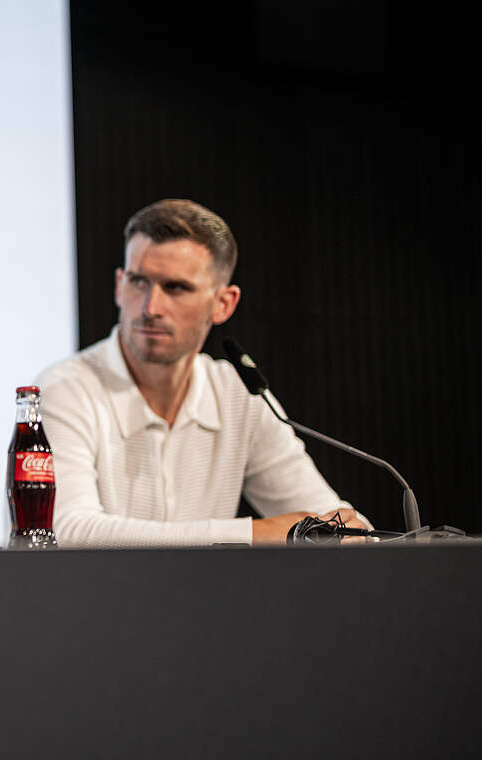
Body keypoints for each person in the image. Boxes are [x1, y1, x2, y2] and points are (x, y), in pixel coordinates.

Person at [35, 199, 366, 547]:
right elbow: (65, 531)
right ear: (119, 285)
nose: (150, 307)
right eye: (138, 281)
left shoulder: (238, 395)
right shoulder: (64, 389)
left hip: (209, 603)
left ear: (223, 303)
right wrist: (254, 534)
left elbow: (337, 523)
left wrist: (352, 536)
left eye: (175, 288)